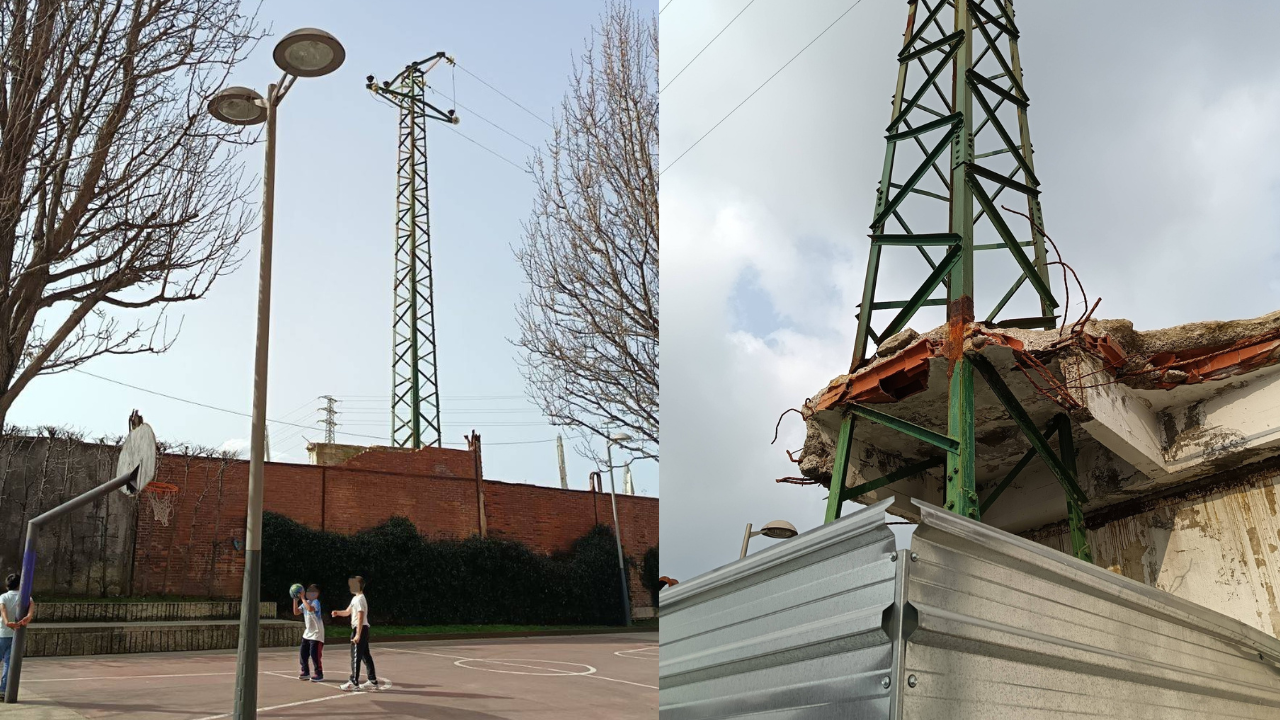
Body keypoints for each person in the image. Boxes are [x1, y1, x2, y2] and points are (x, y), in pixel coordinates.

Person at [332, 575, 381, 691]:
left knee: (355, 657)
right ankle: (372, 680)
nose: (350, 587)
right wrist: (337, 613)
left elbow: (360, 616)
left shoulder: (359, 599)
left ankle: (354, 681)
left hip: (360, 629)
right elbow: (347, 612)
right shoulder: (355, 599)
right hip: (362, 629)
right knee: (365, 655)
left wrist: (358, 634)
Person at [0, 574, 35, 701]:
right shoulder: (26, 597)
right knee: (9, 665)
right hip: (16, 635)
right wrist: (28, 617)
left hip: (2, 633)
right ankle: (3, 691)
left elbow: (3, 610)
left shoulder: (3, 596)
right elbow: (31, 608)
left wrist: (6, 621)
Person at [293, 583, 324, 682]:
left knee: (315, 654)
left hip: (317, 634)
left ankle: (318, 673)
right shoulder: (305, 602)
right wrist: (295, 600)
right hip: (307, 633)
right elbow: (296, 612)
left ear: (317, 594)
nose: (309, 592)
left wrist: (302, 598)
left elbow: (310, 609)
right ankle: (305, 672)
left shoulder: (316, 602)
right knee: (303, 653)